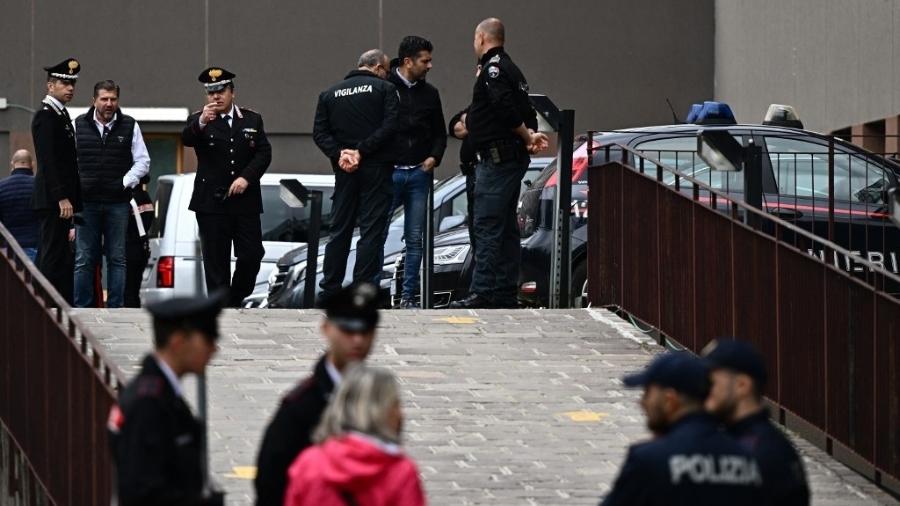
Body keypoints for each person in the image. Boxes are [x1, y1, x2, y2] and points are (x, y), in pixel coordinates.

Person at [449, 18, 548, 310]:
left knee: (487, 226)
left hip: (497, 160)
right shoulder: (510, 68)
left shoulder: (493, 69)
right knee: (504, 228)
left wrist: (526, 134)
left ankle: (484, 292)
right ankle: (504, 292)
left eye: (474, 39)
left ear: (481, 38)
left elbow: (505, 108)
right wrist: (527, 135)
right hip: (506, 159)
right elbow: (522, 108)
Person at [255, 283, 381, 506]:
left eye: (365, 331)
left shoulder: (378, 399)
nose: (358, 341)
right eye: (347, 330)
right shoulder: (300, 407)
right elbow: (271, 483)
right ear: (326, 329)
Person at [107, 292, 226, 505]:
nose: (214, 348)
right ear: (178, 342)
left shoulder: (161, 392)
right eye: (208, 338)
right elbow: (143, 492)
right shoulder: (148, 404)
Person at [600, 352, 764, 505]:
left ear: (669, 400)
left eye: (647, 393)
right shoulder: (749, 459)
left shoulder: (648, 459)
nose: (642, 403)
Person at [313, 50, 399, 303]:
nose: (387, 75)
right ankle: (361, 290)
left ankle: (329, 289)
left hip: (344, 170)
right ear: (377, 67)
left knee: (340, 230)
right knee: (371, 231)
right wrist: (362, 151)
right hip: (376, 168)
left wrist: (341, 154)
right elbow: (391, 126)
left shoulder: (329, 94)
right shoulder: (385, 89)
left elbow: (320, 133)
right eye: (386, 71)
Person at [182, 67, 272, 307]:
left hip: (245, 201)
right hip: (211, 202)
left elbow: (263, 153)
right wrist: (201, 122)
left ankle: (234, 297)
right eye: (211, 93)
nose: (216, 97)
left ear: (232, 93)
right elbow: (187, 139)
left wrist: (246, 178)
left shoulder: (251, 119)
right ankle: (221, 306)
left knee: (252, 255)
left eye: (221, 91)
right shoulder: (198, 120)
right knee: (215, 259)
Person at [284, 365, 426, 506]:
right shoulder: (401, 472)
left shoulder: (308, 464)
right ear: (381, 411)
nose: (401, 413)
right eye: (395, 404)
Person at [702, 338, 810, 505]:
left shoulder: (762, 452)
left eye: (711, 382)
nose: (704, 389)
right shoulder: (762, 443)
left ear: (742, 385)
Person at [73, 80, 151, 308]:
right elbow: (67, 161)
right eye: (104, 99)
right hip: (86, 203)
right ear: (94, 100)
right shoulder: (77, 124)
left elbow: (143, 162)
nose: (109, 103)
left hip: (118, 202)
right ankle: (82, 309)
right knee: (84, 258)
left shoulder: (129, 125)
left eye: (113, 99)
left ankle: (116, 308)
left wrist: (124, 183)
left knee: (117, 258)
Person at [385, 36, 447, 309]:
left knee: (415, 238)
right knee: (377, 232)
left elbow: (439, 132)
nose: (430, 66)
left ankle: (407, 297)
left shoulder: (430, 93)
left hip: (419, 173)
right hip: (390, 172)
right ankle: (373, 295)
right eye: (425, 60)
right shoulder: (385, 87)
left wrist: (434, 157)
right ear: (407, 61)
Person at [31, 58, 83, 303]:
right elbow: (48, 160)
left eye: (72, 83)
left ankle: (56, 303)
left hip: (61, 199)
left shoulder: (60, 115)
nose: (70, 88)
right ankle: (46, 304)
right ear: (50, 86)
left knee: (59, 253)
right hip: (53, 199)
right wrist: (61, 196)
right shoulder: (45, 116)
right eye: (64, 83)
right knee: (52, 254)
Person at [0, 150, 40, 261]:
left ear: (12, 164)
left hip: (9, 250)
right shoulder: (39, 186)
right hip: (35, 246)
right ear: (32, 164)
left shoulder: (1, 187)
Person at [448, 106, 477, 253]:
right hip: (470, 172)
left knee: (480, 225)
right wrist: (465, 118)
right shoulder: (477, 101)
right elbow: (453, 126)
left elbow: (477, 124)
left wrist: (467, 121)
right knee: (473, 223)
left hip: (481, 170)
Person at [123, 176, 154, 307]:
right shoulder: (146, 197)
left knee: (127, 288)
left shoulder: (129, 200)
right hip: (141, 247)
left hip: (128, 247)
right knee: (135, 287)